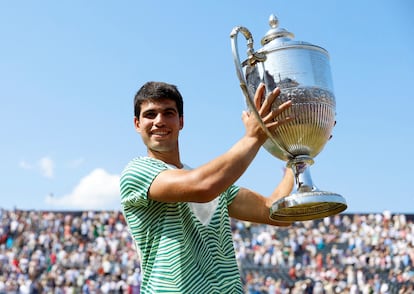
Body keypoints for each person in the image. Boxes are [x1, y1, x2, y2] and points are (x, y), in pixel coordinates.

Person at [120, 81, 294, 293]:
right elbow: (202, 186)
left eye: (168, 113)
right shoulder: (137, 172)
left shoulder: (214, 181)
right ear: (137, 124)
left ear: (181, 121)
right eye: (150, 114)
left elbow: (274, 211)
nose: (159, 121)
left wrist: (296, 162)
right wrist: (253, 137)